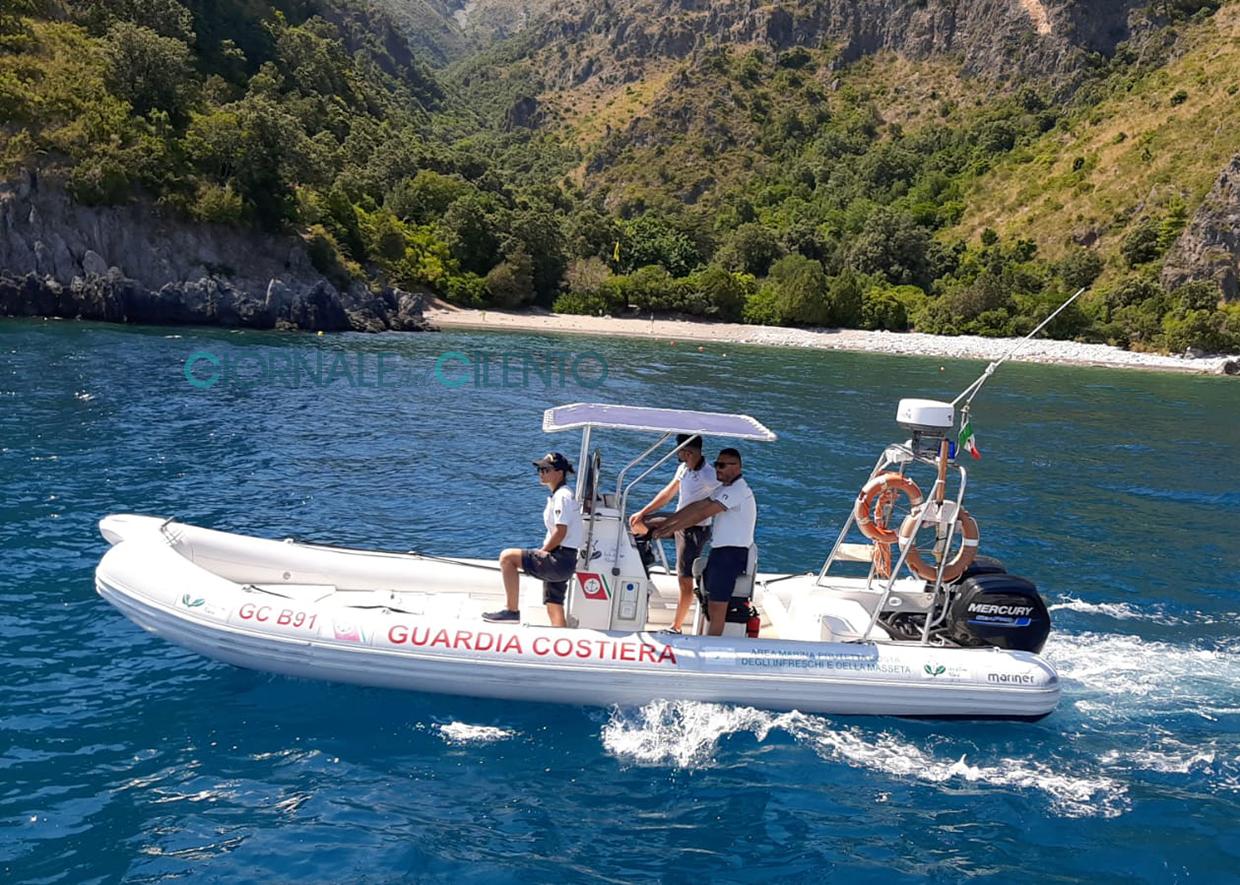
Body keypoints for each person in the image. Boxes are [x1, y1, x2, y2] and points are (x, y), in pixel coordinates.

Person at [653, 448, 755, 636]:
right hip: (720, 553)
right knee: (711, 606)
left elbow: (703, 513)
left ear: (737, 467)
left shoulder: (738, 490)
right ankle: (705, 640)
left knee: (717, 609)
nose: (717, 469)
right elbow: (697, 506)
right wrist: (668, 522)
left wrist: (671, 528)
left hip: (731, 555)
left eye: (722, 465)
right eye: (716, 464)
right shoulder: (724, 488)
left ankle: (710, 649)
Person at [629, 434, 719, 633]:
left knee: (684, 579)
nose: (677, 454)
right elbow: (668, 493)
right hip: (676, 522)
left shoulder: (709, 475)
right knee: (637, 524)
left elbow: (720, 499)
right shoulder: (684, 468)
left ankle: (676, 626)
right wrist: (643, 512)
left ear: (687, 451)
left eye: (679, 450)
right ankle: (647, 554)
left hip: (694, 529)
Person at [484, 452, 584, 627]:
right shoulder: (561, 495)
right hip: (565, 560)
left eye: (546, 469)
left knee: (507, 557)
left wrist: (543, 551)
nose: (541, 473)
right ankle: (560, 636)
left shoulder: (563, 497)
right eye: (539, 469)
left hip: (558, 559)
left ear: (559, 473)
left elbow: (561, 532)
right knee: (554, 604)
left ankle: (511, 611)